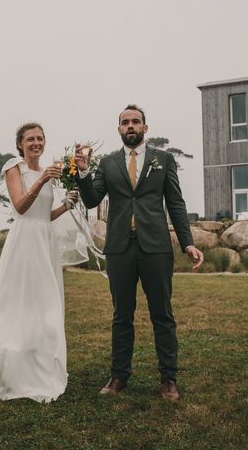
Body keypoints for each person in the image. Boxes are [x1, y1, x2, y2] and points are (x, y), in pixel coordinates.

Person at [74, 105, 203, 400]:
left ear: (145, 127)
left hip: (156, 247)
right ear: (119, 129)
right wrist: (83, 171)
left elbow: (176, 203)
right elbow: (92, 200)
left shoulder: (164, 159)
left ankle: (168, 380)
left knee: (163, 315)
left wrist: (188, 242)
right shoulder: (107, 164)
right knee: (121, 315)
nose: (130, 126)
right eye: (125, 122)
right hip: (119, 248)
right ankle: (119, 376)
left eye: (135, 121)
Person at [0, 122, 78, 402]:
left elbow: (43, 215)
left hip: (44, 241)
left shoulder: (48, 172)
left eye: (40, 138)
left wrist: (66, 205)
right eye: (30, 139)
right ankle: (8, 367)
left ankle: (40, 364)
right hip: (24, 242)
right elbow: (20, 207)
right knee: (18, 304)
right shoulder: (14, 167)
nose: (36, 143)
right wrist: (42, 181)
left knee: (45, 305)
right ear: (20, 144)